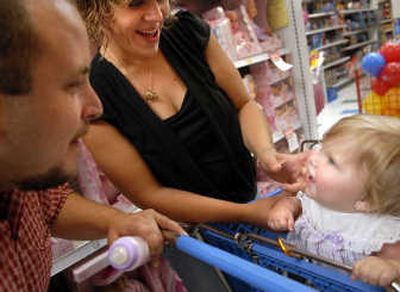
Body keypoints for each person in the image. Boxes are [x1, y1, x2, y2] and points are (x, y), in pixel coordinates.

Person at [75, 0, 306, 232]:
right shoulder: (95, 97)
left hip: (254, 199)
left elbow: (243, 104)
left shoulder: (186, 32)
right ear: (96, 10)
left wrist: (267, 155)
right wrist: (246, 213)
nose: (157, 15)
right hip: (195, 236)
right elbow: (149, 195)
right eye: (136, 4)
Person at [0, 0, 185, 291]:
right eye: (73, 85)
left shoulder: (22, 172)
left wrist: (115, 220)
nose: (96, 106)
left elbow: (51, 203)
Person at [266, 114, 400, 287]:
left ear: (367, 200)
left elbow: (396, 264)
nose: (313, 158)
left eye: (331, 161)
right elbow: (299, 204)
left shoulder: (382, 232)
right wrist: (285, 208)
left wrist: (390, 267)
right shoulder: (318, 198)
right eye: (321, 149)